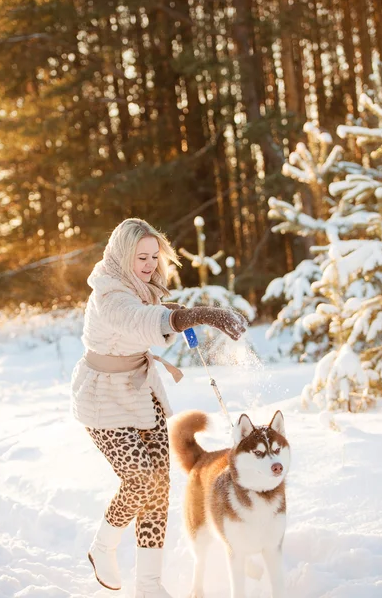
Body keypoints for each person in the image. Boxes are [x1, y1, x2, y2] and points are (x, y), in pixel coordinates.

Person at [71, 218, 247, 597]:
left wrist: (176, 311)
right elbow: (137, 319)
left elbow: (151, 311)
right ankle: (103, 547)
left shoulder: (140, 287)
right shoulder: (108, 293)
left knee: (159, 486)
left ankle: (149, 584)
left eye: (154, 256)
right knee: (140, 479)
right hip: (103, 399)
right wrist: (198, 315)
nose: (150, 265)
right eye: (142, 257)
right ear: (121, 255)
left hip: (139, 393)